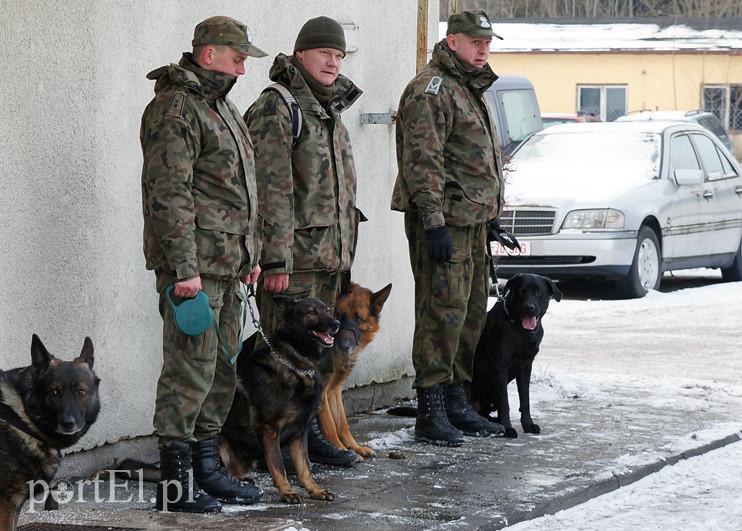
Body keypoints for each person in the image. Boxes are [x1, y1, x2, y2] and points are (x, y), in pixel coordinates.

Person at [140, 15, 266, 512]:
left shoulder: (221, 107)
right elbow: (168, 194)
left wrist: (249, 256)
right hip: (193, 268)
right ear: (209, 53)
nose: (243, 68)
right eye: (238, 58)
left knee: (220, 369)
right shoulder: (176, 108)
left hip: (227, 265)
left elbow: (241, 193)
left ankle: (207, 469)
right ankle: (175, 486)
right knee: (188, 371)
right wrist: (184, 268)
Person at [244, 16, 363, 466]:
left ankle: (306, 439)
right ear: (300, 55)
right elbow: (269, 191)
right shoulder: (279, 107)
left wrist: (345, 253)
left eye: (338, 55)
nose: (332, 62)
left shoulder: (327, 109)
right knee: (282, 363)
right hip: (293, 261)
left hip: (325, 259)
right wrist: (274, 261)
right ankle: (280, 444)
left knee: (309, 362)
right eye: (323, 54)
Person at [391, 10, 506, 446]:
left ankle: (458, 398)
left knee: (470, 313)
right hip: (444, 223)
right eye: (475, 42)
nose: (483, 50)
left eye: (487, 43)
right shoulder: (431, 89)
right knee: (441, 314)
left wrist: (491, 214)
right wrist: (433, 221)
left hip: (471, 221)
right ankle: (432, 407)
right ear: (452, 41)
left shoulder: (468, 87)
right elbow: (423, 161)